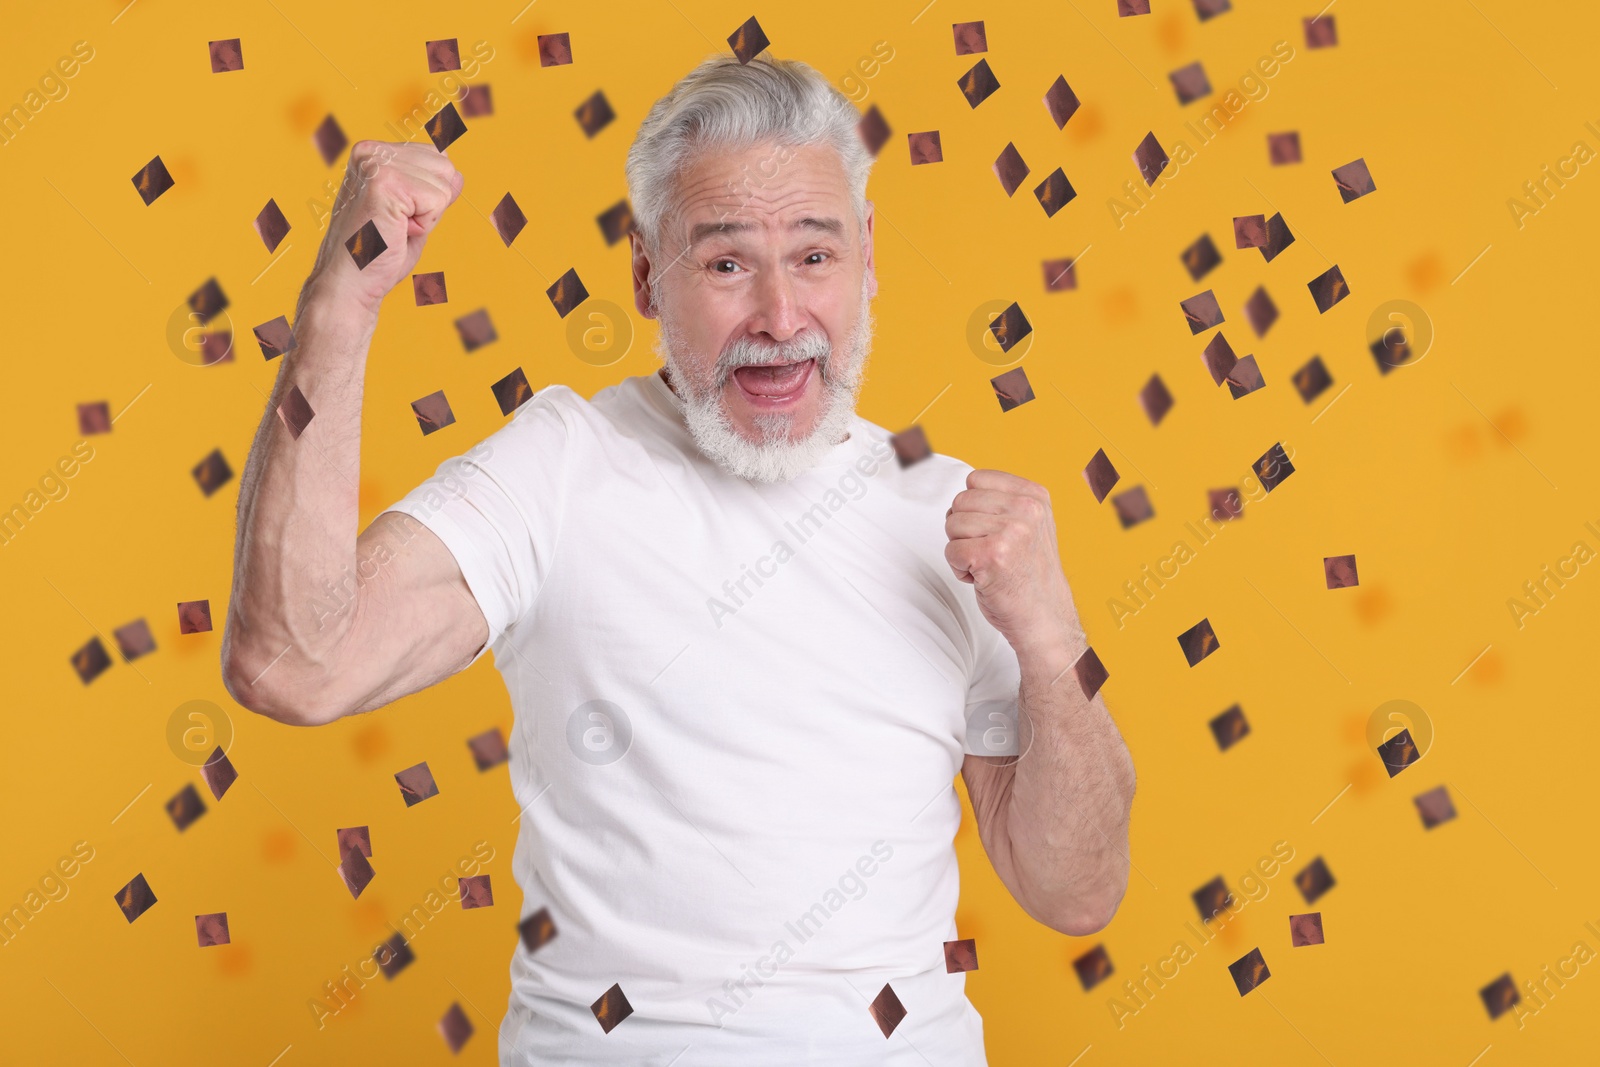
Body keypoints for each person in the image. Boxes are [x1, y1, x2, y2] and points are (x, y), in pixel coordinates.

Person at [222, 51, 1135, 1066]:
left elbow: (1078, 887)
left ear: (868, 257)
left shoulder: (953, 515)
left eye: (815, 256)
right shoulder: (561, 466)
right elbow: (291, 663)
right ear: (647, 274)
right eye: (727, 262)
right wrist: (339, 309)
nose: (781, 319)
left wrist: (1052, 639)